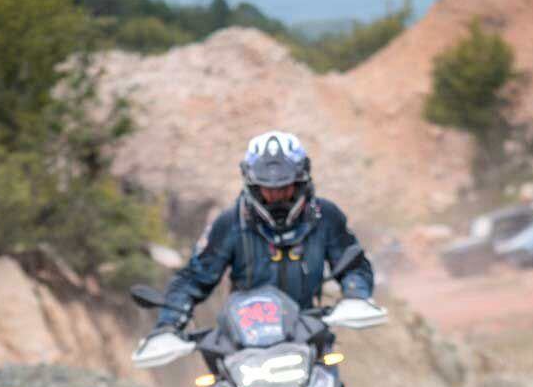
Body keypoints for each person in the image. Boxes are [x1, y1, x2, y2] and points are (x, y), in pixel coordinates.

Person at [150, 129, 374, 337]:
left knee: (331, 379)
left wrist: (356, 295)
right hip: (245, 342)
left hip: (309, 334)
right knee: (216, 380)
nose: (276, 196)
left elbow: (353, 264)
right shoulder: (230, 223)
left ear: (301, 182)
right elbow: (194, 279)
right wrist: (169, 324)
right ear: (253, 186)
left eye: (285, 188)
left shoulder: (325, 216)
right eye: (268, 189)